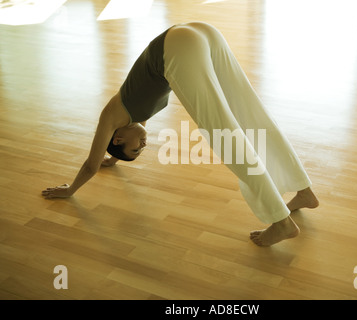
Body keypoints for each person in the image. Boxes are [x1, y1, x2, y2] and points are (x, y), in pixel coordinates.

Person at [42, 22, 319, 246]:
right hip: (202, 33)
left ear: (116, 138)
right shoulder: (134, 119)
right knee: (252, 115)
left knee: (225, 136)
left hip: (178, 49)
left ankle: (281, 222)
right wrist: (114, 160)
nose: (144, 145)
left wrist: (71, 190)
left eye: (136, 149)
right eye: (140, 151)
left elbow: (91, 164)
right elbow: (117, 146)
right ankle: (303, 190)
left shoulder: (111, 116)